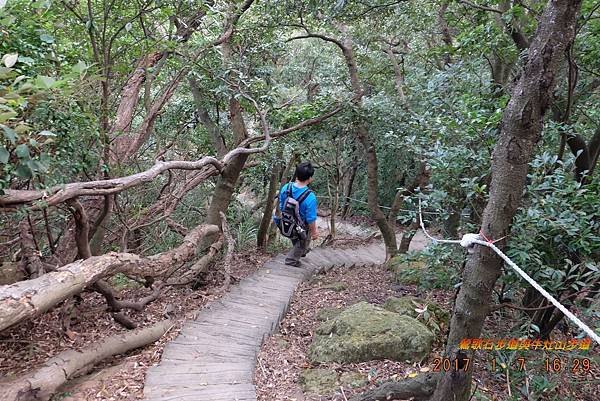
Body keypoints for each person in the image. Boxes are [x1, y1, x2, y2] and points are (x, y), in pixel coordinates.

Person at [275, 161, 319, 267]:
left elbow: (281, 206)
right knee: (303, 242)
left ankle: (301, 251)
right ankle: (292, 260)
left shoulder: (286, 187)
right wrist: (314, 233)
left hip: (286, 223)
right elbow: (311, 219)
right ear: (310, 178)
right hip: (301, 227)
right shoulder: (310, 197)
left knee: (298, 241)